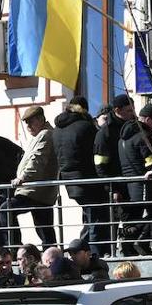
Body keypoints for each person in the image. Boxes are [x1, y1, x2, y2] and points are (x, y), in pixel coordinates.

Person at [54, 96, 107, 252]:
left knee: (89, 216)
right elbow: (95, 151)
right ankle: (94, 254)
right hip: (87, 178)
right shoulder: (85, 126)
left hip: (68, 181)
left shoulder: (58, 129)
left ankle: (79, 251)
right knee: (96, 218)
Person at [6, 105, 60, 248]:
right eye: (26, 123)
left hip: (35, 191)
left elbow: (37, 161)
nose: (28, 126)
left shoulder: (45, 134)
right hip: (38, 190)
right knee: (45, 230)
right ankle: (52, 255)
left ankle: (15, 248)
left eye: (31, 122)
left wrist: (23, 177)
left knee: (5, 209)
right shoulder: (42, 135)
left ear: (41, 119)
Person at [119, 103, 152, 255]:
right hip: (147, 184)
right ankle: (136, 236)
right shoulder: (146, 136)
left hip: (132, 185)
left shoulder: (123, 138)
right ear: (147, 119)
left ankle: (141, 241)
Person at [94, 94, 136, 256]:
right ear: (117, 110)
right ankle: (118, 252)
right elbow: (101, 167)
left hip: (132, 183)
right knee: (118, 221)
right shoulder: (106, 134)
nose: (133, 113)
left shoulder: (131, 127)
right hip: (117, 187)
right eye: (128, 110)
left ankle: (130, 249)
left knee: (133, 220)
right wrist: (112, 189)